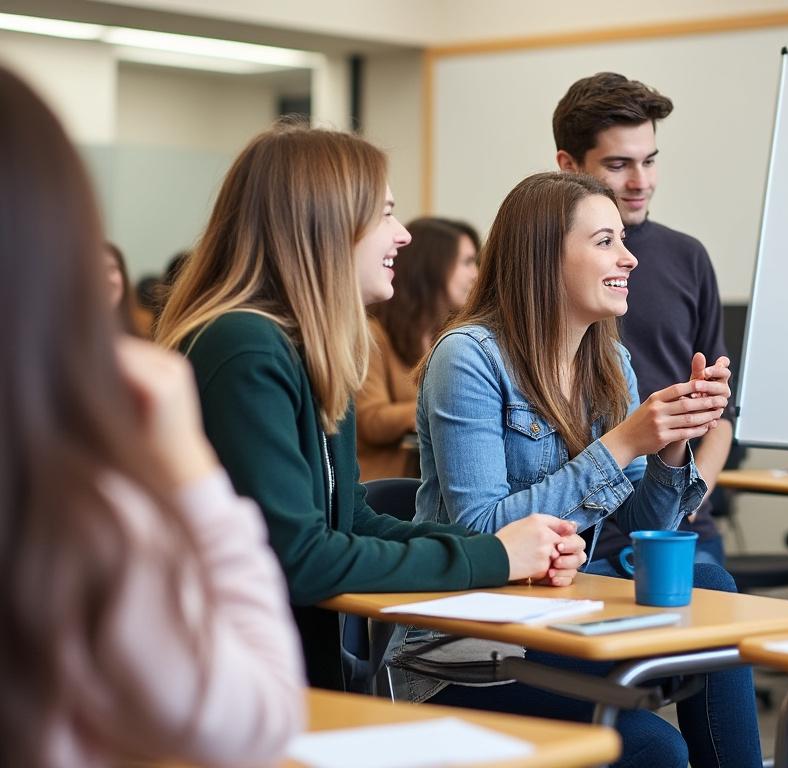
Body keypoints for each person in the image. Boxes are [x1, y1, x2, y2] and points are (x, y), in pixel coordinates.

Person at [156, 122, 587, 691]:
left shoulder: (307, 351)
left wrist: (503, 548)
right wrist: (494, 559)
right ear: (323, 224)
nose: (403, 235)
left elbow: (351, 521)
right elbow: (300, 558)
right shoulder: (244, 347)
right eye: (385, 213)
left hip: (281, 678)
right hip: (234, 689)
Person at [0, 66, 305, 767]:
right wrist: (191, 472)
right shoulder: (70, 516)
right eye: (382, 213)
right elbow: (256, 719)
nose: (400, 235)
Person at [414, 171, 760, 768]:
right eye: (605, 242)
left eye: (622, 239)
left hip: (556, 613)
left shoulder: (609, 359)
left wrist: (673, 438)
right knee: (656, 746)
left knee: (712, 588)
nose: (628, 257)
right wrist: (624, 443)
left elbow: (647, 522)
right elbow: (480, 533)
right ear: (545, 257)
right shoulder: (467, 356)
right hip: (466, 642)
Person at [553, 72, 732, 566]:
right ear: (568, 166)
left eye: (649, 161)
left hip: (670, 519)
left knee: (713, 589)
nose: (641, 182)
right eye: (618, 165)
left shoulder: (687, 258)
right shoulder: (540, 266)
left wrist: (687, 498)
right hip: (574, 531)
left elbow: (721, 419)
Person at [358, 217, 479, 480]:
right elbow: (370, 420)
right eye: (468, 262)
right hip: (384, 488)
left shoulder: (449, 337)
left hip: (427, 481)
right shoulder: (372, 334)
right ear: (433, 266)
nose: (476, 274)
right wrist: (445, 405)